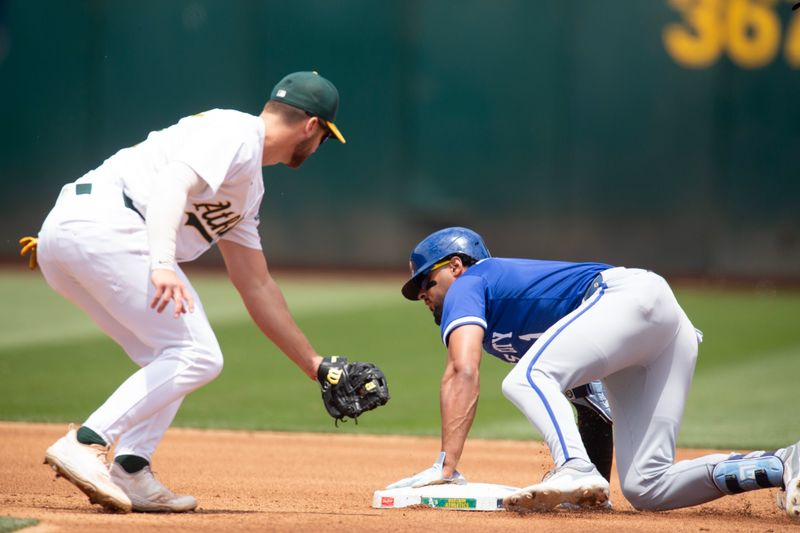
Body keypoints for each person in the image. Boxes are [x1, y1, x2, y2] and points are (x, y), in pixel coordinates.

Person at [23, 71, 347, 513]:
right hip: (107, 222)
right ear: (312, 126)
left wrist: (313, 364)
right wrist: (161, 262)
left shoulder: (249, 187)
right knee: (198, 354)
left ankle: (131, 469)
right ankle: (86, 441)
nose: (319, 147)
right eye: (325, 137)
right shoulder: (235, 132)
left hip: (80, 231)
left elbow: (255, 283)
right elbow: (172, 184)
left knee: (171, 354)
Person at [387, 226, 800, 520]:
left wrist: (446, 467)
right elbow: (593, 405)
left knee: (525, 378)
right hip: (658, 329)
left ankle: (573, 466)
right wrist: (592, 493)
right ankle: (785, 463)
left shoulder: (470, 283)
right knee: (647, 488)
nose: (421, 292)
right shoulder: (510, 321)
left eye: (426, 279)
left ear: (457, 266)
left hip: (627, 296)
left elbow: (462, 369)